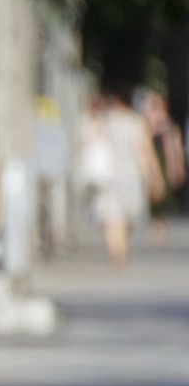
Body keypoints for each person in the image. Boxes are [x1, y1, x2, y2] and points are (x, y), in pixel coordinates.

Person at [79, 93, 161, 266]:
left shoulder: (104, 120)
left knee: (110, 216)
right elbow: (145, 150)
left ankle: (115, 250)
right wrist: (154, 174)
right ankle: (121, 248)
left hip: (108, 175)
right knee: (126, 217)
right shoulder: (136, 122)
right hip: (131, 176)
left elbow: (90, 142)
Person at [138, 89, 186, 243]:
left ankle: (162, 227)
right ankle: (155, 225)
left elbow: (176, 148)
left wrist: (177, 166)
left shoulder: (170, 126)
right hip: (152, 162)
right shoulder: (145, 125)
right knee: (153, 194)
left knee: (166, 195)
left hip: (165, 162)